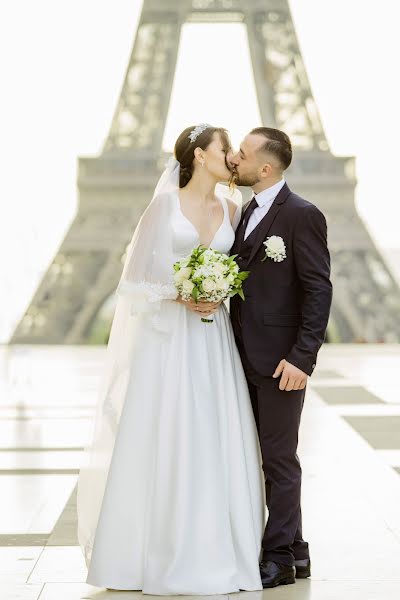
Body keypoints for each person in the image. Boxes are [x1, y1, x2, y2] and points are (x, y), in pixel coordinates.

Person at [76, 124, 265, 594]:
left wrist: (217, 293)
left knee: (212, 433)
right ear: (200, 155)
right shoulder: (163, 206)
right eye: (226, 150)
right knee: (168, 431)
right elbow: (135, 280)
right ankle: (152, 552)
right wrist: (182, 294)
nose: (233, 159)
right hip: (170, 340)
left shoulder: (233, 207)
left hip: (212, 341)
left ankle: (216, 548)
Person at [229, 127, 332, 588]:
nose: (235, 159)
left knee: (279, 460)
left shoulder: (302, 215)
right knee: (265, 457)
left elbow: (318, 289)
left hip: (281, 363)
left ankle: (278, 559)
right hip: (239, 357)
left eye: (244, 154)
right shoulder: (242, 213)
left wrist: (302, 358)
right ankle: (297, 549)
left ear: (265, 168)